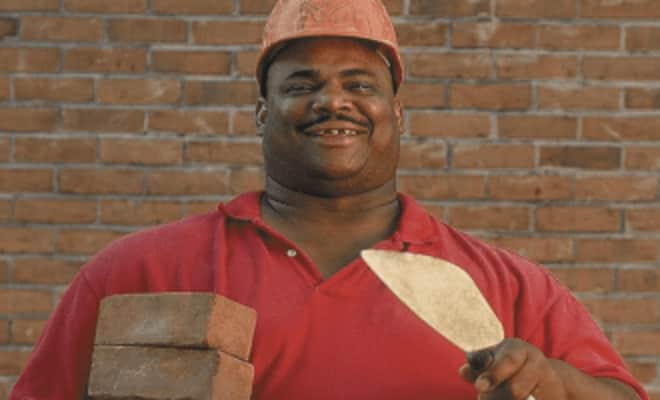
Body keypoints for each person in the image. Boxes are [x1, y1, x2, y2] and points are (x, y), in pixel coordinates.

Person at [10, 1, 648, 399]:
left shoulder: (507, 289)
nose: (332, 101)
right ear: (262, 113)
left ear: (397, 113)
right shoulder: (137, 272)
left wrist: (556, 384)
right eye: (302, 84)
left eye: (359, 84)